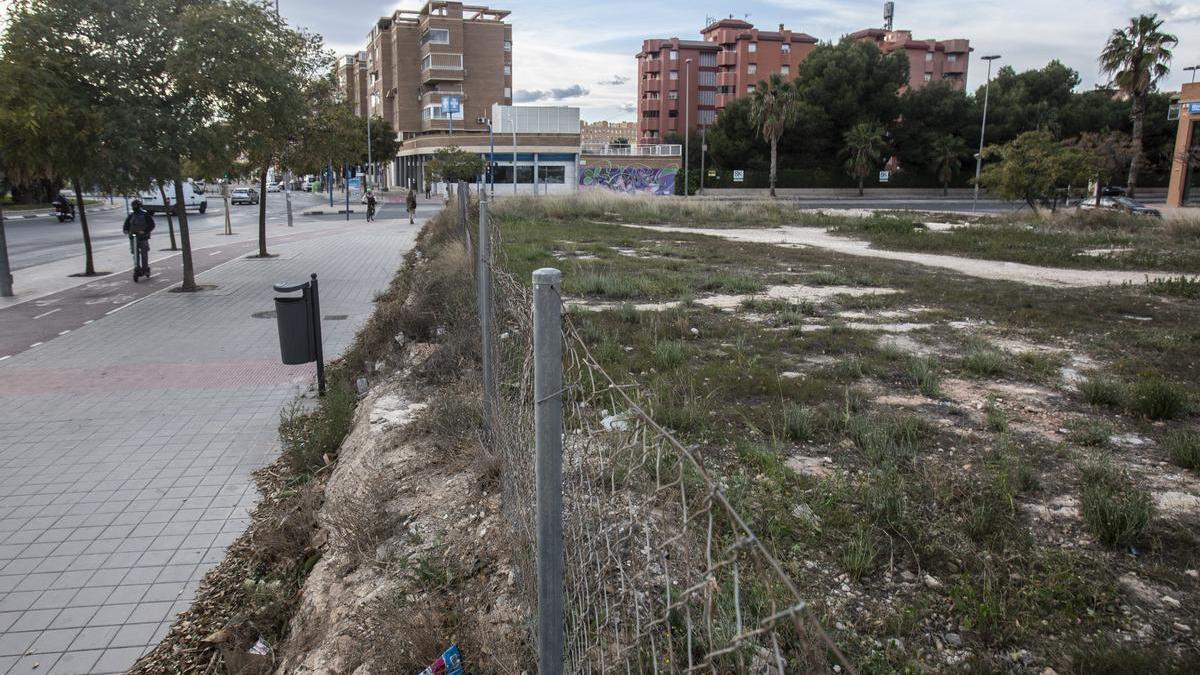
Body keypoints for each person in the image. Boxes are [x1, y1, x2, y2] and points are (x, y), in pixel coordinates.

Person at [123, 199, 156, 279]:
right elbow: (126, 225)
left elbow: (151, 225)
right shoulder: (131, 215)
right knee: (135, 253)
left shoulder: (145, 214)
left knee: (144, 253)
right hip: (133, 238)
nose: (134, 207)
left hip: (143, 237)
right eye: (133, 206)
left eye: (136, 206)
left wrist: (144, 231)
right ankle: (137, 267)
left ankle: (145, 268)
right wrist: (126, 231)